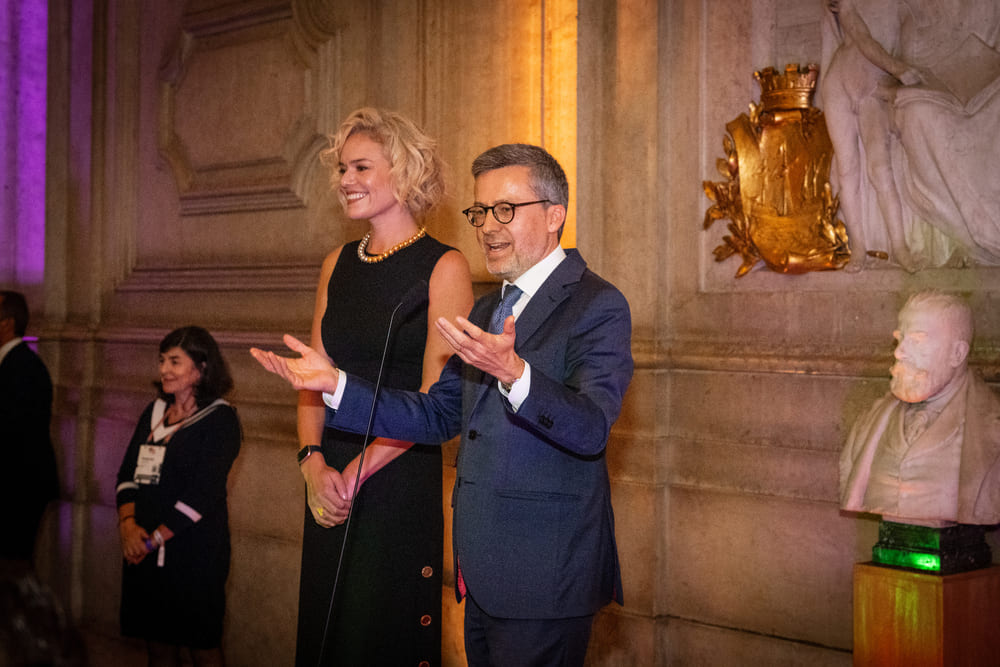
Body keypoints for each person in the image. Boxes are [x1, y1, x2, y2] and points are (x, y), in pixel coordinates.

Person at [252, 143, 634, 666]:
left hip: (545, 576)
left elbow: (592, 428)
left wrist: (516, 374)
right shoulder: (487, 307)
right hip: (478, 575)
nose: (488, 227)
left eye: (506, 210)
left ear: (554, 216)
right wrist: (337, 384)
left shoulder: (596, 304)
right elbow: (436, 414)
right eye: (480, 212)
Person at [290, 108, 473, 667]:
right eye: (343, 169)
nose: (346, 180)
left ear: (405, 171)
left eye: (362, 167)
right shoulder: (336, 263)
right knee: (328, 637)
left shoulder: (445, 267)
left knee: (378, 639)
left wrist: (351, 476)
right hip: (328, 481)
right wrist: (312, 464)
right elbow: (312, 376)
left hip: (394, 478)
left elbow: (434, 406)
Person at [115, 326, 241, 666]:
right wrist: (128, 527)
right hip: (141, 545)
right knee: (157, 645)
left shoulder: (221, 420)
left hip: (194, 553)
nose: (164, 370)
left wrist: (153, 540)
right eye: (161, 360)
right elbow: (127, 474)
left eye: (175, 361)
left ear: (200, 369)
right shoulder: (154, 412)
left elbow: (203, 493)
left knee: (200, 644)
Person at [840, 290, 1000, 526]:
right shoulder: (871, 421)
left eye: (916, 341)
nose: (899, 352)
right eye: (899, 339)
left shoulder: (992, 430)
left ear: (957, 353)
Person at [0, 290, 59, 565]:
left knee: (12, 566)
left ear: (7, 322)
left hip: (18, 486)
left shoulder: (26, 367)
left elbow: (14, 429)